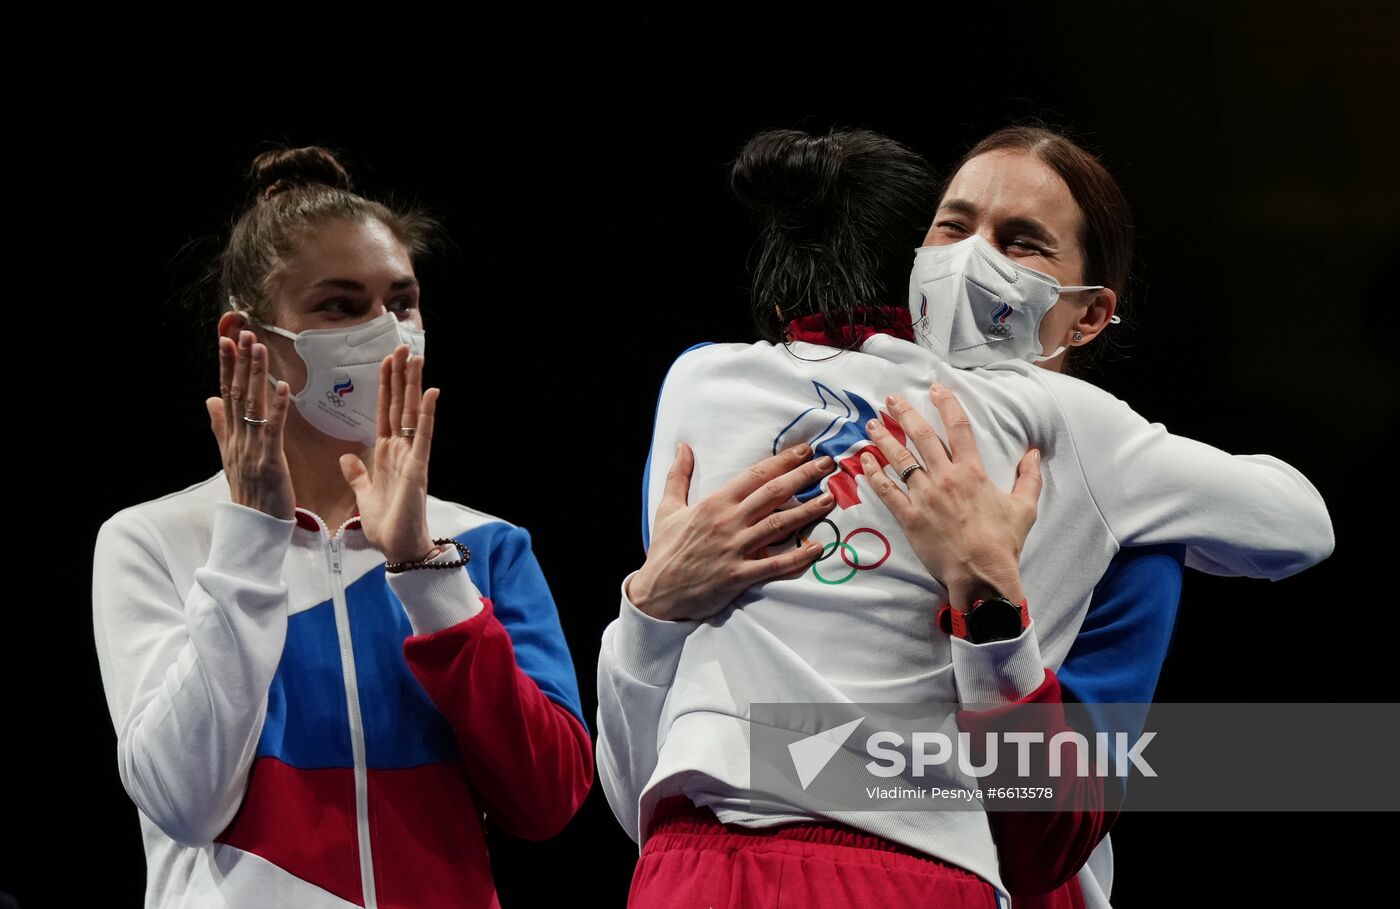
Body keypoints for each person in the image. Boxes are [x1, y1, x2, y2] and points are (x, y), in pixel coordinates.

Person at [596, 127, 1333, 908]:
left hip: (922, 863)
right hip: (694, 857)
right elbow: (639, 781)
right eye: (952, 227)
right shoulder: (732, 390)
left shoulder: (1108, 485)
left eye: (1022, 244)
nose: (970, 259)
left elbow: (1042, 837)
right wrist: (648, 608)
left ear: (1086, 316)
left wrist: (989, 602)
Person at [91, 147, 593, 908]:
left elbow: (548, 799)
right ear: (247, 337)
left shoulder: (483, 545)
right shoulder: (152, 539)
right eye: (340, 304)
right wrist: (250, 543)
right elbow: (185, 802)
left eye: (402, 300)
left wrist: (426, 571)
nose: (387, 331)